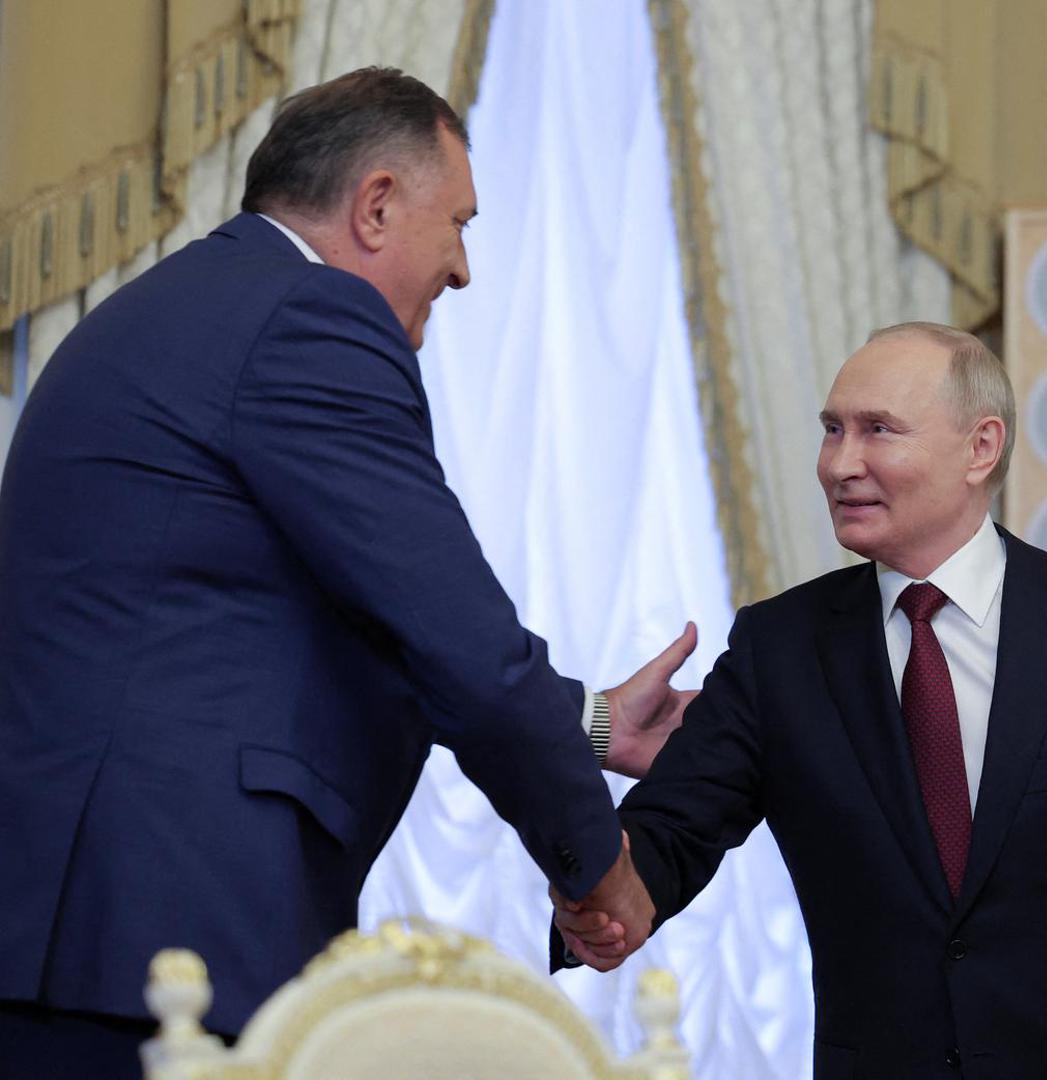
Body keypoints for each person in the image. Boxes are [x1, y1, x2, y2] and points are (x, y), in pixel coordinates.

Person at [0, 68, 670, 1075]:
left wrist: (592, 725)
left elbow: (297, 624)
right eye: (460, 225)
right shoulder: (308, 319)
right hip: (149, 936)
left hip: (90, 929)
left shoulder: (192, 308)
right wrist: (598, 861)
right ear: (375, 205)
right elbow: (449, 627)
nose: (462, 269)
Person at [556, 323, 1047, 1077]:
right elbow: (671, 831)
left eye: (878, 430)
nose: (841, 464)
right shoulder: (779, 648)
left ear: (980, 448)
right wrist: (601, 899)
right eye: (832, 431)